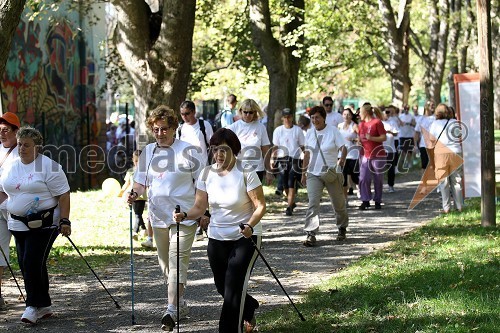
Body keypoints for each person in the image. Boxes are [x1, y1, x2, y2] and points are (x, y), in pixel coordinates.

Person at [173, 128, 266, 333]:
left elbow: (260, 206)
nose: (218, 155)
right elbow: (199, 207)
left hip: (245, 237)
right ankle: (249, 307)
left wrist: (250, 225)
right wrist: (185, 216)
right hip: (217, 236)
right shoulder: (206, 173)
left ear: (234, 150)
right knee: (222, 286)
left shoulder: (246, 172)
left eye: (223, 150)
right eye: (214, 150)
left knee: (233, 286)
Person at [127, 105, 202, 331]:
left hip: (184, 216)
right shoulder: (148, 152)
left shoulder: (189, 150)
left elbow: (202, 184)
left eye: (164, 129)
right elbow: (140, 182)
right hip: (157, 216)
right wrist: (134, 193)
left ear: (174, 128)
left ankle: (171, 309)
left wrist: (202, 211)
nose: (160, 133)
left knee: (177, 259)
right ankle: (180, 302)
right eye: (156, 129)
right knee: (166, 265)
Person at [0, 126, 71, 324]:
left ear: (37, 147)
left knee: (31, 261)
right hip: (17, 222)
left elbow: (64, 195)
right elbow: (3, 192)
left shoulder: (49, 167)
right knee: (27, 262)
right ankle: (44, 305)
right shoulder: (11, 166)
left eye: (27, 145)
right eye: (20, 144)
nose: (22, 148)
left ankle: (31, 306)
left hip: (45, 223)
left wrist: (65, 220)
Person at [301, 106, 349, 246]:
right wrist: (304, 172)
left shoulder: (333, 131)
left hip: (330, 173)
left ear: (323, 118)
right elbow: (307, 154)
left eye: (317, 117)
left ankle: (342, 227)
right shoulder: (309, 133)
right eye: (312, 118)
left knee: (338, 203)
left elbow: (343, 148)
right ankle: (311, 233)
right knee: (313, 203)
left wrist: (341, 161)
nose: (315, 120)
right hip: (313, 173)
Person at [176, 100, 214, 241]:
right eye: (182, 114)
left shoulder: (204, 125)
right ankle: (197, 223)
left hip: (203, 168)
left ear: (193, 112)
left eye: (187, 114)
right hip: (186, 169)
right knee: (192, 196)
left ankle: (207, 224)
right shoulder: (180, 129)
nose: (184, 117)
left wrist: (212, 165)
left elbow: (212, 145)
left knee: (205, 197)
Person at [0, 112, 20, 310]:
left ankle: (36, 297)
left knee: (25, 254)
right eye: (0, 131)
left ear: (16, 131)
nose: (2, 134)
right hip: (0, 211)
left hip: (18, 210)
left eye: (6, 130)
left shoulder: (23, 153)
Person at [228, 99, 273, 183]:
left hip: (256, 169)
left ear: (255, 112)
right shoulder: (233, 127)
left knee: (254, 196)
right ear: (241, 111)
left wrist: (269, 171)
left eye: (251, 112)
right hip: (238, 169)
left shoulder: (261, 127)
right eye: (245, 112)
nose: (248, 115)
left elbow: (266, 150)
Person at [429, 103, 463, 213]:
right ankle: (459, 206)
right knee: (456, 181)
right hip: (455, 152)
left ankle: (446, 207)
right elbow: (459, 136)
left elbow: (431, 141)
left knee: (443, 182)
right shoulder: (454, 122)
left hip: (441, 153)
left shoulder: (434, 124)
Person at [271, 109, 305, 216]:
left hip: (294, 158)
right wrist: (273, 158)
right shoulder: (278, 130)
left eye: (289, 117)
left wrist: (306, 157)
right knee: (285, 182)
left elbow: (302, 145)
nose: (287, 119)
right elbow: (275, 147)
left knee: (291, 181)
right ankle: (290, 200)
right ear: (282, 118)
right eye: (285, 117)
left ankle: (289, 207)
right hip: (282, 158)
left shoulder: (297, 130)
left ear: (292, 117)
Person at [118, 150, 154, 248]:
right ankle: (143, 229)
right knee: (138, 214)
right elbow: (127, 184)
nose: (138, 163)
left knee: (138, 214)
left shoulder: (146, 171)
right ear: (133, 160)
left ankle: (134, 231)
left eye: (140, 161)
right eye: (136, 161)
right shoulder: (131, 171)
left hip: (142, 196)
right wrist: (122, 192)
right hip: (133, 196)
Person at [358, 104, 387, 210]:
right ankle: (365, 200)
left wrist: (372, 138)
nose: (359, 114)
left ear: (365, 112)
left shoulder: (377, 122)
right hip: (365, 154)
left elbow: (384, 137)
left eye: (360, 112)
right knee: (364, 178)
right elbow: (360, 138)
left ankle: (377, 200)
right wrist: (358, 142)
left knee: (378, 179)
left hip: (378, 155)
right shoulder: (361, 125)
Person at [337, 108, 360, 202]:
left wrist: (353, 140)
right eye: (344, 114)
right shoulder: (339, 126)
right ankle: (344, 199)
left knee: (355, 177)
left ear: (351, 116)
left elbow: (361, 138)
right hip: (342, 155)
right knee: (343, 178)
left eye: (348, 114)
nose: (346, 116)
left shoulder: (354, 126)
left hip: (353, 155)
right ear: (342, 116)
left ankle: (361, 192)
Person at [398, 104, 416, 169]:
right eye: (405, 108)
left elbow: (414, 124)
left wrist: (410, 123)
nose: (406, 109)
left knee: (409, 151)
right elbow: (399, 124)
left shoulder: (412, 116)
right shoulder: (400, 116)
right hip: (402, 135)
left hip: (409, 135)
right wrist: (401, 123)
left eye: (407, 108)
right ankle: (405, 162)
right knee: (403, 150)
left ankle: (409, 162)